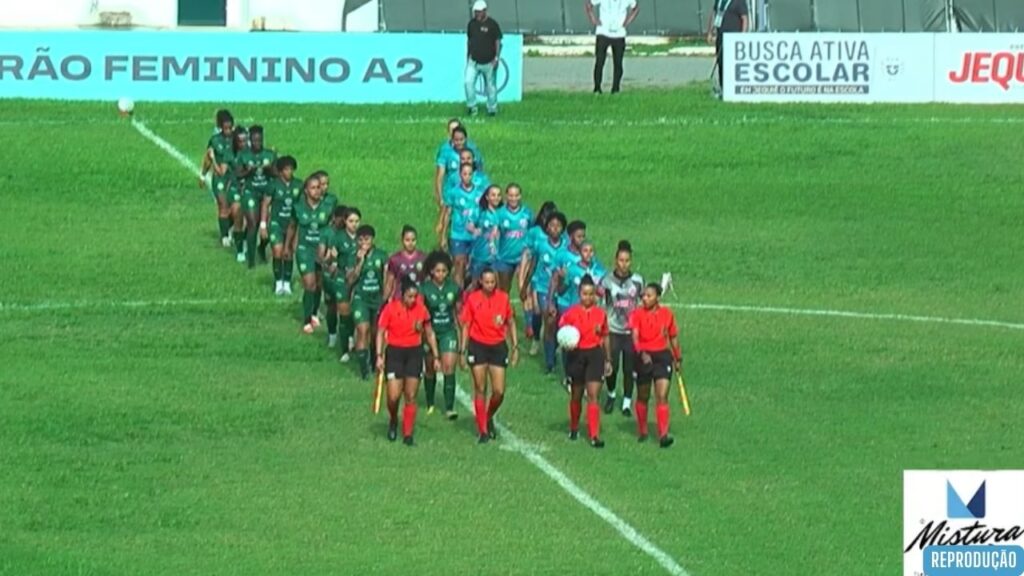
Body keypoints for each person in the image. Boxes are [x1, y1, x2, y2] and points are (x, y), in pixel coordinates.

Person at [376, 277, 441, 446]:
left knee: (411, 395)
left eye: (415, 297)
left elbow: (429, 333)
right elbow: (381, 331)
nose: (413, 300)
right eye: (409, 297)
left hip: (414, 353)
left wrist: (436, 356)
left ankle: (408, 433)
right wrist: (379, 355)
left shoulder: (421, 310)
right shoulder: (390, 309)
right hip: (395, 353)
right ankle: (393, 419)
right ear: (402, 295)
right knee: (393, 396)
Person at [459, 267, 519, 443]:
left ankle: (488, 415)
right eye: (487, 282)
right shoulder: (473, 299)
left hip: (497, 347)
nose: (490, 285)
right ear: (481, 282)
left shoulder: (503, 298)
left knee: (499, 392)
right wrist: (462, 350)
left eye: (493, 282)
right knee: (480, 388)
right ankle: (483, 431)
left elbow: (511, 321)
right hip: (477, 346)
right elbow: (466, 325)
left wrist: (515, 346)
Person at [559, 275, 612, 447]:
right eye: (584, 294)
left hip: (595, 355)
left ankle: (594, 435)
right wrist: (567, 345)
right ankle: (574, 427)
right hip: (576, 355)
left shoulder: (600, 314)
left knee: (593, 395)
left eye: (591, 294)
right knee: (576, 394)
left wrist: (608, 359)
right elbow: (562, 333)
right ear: (579, 293)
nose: (588, 297)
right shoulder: (571, 314)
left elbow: (605, 336)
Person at [628, 283, 682, 448]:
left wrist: (677, 357)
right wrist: (641, 352)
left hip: (662, 357)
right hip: (643, 357)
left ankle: (663, 435)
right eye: (643, 296)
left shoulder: (667, 314)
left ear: (657, 297)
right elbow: (635, 336)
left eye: (649, 296)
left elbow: (673, 337)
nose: (645, 298)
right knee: (643, 396)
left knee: (662, 395)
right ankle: (643, 431)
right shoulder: (637, 314)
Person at [519, 211, 569, 374]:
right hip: (543, 289)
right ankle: (550, 362)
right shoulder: (541, 245)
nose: (555, 229)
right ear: (546, 228)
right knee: (549, 321)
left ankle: (554, 347)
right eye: (552, 225)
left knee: (560, 323)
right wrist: (525, 286)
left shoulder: (566, 246)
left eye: (558, 226)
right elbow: (533, 265)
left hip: (562, 291)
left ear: (563, 229)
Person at [600, 240, 644, 416]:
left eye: (627, 260)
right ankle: (611, 394)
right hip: (613, 330)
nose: (624, 264)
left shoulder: (638, 281)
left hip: (631, 332)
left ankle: (626, 402)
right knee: (612, 366)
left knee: (629, 369)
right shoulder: (607, 281)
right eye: (621, 260)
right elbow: (602, 306)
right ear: (615, 260)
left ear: (631, 261)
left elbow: (643, 303)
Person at [286, 175, 333, 334]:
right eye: (313, 188)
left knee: (318, 283)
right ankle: (306, 320)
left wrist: (329, 249)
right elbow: (292, 226)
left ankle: (314, 312)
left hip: (320, 249)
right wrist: (288, 246)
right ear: (306, 191)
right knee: (309, 283)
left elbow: (331, 229)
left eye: (319, 187)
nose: (317, 191)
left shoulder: (328, 207)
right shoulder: (298, 207)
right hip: (304, 249)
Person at [420, 250, 462, 419]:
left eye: (444, 271)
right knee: (430, 368)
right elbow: (421, 315)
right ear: (431, 271)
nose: (441, 274)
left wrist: (462, 334)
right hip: (430, 332)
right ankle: (430, 402)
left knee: (449, 367)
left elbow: (458, 312)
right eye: (437, 271)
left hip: (448, 332)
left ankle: (449, 407)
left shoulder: (454, 288)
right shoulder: (424, 289)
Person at [345, 225, 388, 380]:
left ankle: (374, 360)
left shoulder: (381, 256)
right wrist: (359, 263)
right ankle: (364, 371)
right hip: (360, 299)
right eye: (361, 239)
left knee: (376, 332)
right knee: (363, 330)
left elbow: (386, 279)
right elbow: (350, 280)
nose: (364, 243)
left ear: (372, 239)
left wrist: (385, 299)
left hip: (376, 299)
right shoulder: (352, 256)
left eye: (367, 239)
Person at [517, 200, 558, 356]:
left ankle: (551, 344)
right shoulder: (535, 232)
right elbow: (528, 254)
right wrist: (523, 281)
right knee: (537, 311)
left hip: (555, 283)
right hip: (538, 280)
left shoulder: (561, 236)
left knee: (551, 315)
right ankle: (535, 338)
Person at [438, 162, 486, 288]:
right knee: (459, 264)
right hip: (458, 234)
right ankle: (458, 295)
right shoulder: (454, 192)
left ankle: (471, 293)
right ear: (460, 175)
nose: (467, 177)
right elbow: (448, 213)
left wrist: (480, 229)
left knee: (474, 268)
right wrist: (443, 235)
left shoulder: (480, 193)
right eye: (464, 174)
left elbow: (485, 214)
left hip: (475, 236)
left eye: (470, 174)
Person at [236, 125, 277, 269]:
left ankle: (262, 247)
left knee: (269, 225)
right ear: (250, 140)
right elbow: (238, 174)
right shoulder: (243, 155)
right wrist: (248, 171)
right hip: (250, 192)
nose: (257, 143)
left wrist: (269, 169)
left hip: (267, 193)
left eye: (260, 140)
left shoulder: (270, 154)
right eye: (254, 140)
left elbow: (277, 174)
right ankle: (251, 261)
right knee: (253, 224)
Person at [263, 156, 302, 295]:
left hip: (292, 224)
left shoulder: (299, 185)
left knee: (289, 252)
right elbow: (265, 204)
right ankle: (279, 282)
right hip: (276, 223)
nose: (289, 172)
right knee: (277, 251)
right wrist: (263, 224)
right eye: (286, 169)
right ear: (280, 171)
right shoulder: (273, 185)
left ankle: (287, 283)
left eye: (291, 169)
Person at [585, 0, 639, 94]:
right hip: (603, 32)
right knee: (600, 61)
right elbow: (589, 5)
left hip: (619, 34)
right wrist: (593, 19)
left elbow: (635, 8)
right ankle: (597, 88)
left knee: (618, 63)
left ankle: (615, 89)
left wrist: (627, 21)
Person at [199, 109, 235, 248]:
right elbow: (208, 158)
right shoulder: (215, 140)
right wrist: (203, 175)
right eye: (225, 128)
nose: (228, 131)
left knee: (234, 208)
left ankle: (230, 229)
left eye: (230, 127)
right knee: (223, 205)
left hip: (234, 178)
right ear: (220, 127)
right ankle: (225, 236)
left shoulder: (237, 139)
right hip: (220, 178)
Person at [465, 0, 503, 117]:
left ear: (485, 11)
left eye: (479, 12)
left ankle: (492, 109)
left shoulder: (493, 24)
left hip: (489, 63)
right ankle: (472, 107)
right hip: (474, 61)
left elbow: (498, 42)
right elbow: (469, 40)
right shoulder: (471, 24)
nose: (477, 14)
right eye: (475, 12)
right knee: (468, 83)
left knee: (491, 87)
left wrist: (496, 58)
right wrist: (468, 56)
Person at [434, 121, 483, 208]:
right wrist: (440, 198)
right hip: (451, 193)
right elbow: (439, 177)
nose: (459, 142)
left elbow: (479, 171)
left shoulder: (472, 149)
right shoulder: (445, 151)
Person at [495, 183, 532, 294]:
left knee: (524, 290)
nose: (513, 198)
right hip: (505, 258)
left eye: (516, 195)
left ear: (520, 196)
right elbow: (494, 234)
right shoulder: (500, 213)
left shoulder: (527, 212)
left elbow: (532, 232)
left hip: (523, 258)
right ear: (506, 196)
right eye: (511, 195)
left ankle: (527, 306)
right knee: (504, 290)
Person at [706, 0, 749, 96]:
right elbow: (714, 15)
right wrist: (710, 32)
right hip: (721, 37)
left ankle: (733, 87)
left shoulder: (739, 2)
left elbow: (744, 19)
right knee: (721, 62)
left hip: (733, 38)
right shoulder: (719, 1)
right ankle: (723, 87)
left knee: (731, 64)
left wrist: (743, 37)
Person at [469, 185, 503, 283]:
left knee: (496, 284)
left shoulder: (502, 213)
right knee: (475, 283)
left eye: (498, 195)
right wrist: (474, 230)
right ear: (487, 197)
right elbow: (469, 225)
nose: (496, 198)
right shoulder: (480, 211)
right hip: (480, 255)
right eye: (493, 195)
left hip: (497, 257)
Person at [383, 225, 426, 302]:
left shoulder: (423, 258)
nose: (410, 243)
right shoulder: (395, 259)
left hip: (418, 298)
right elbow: (389, 283)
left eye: (413, 240)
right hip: (400, 298)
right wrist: (384, 300)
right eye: (407, 240)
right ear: (402, 240)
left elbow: (427, 280)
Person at [228, 126, 249, 263]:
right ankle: (240, 250)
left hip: (249, 189)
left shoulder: (252, 153)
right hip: (236, 188)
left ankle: (245, 238)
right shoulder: (231, 154)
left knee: (252, 219)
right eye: (240, 141)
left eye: (245, 140)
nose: (243, 144)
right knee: (237, 212)